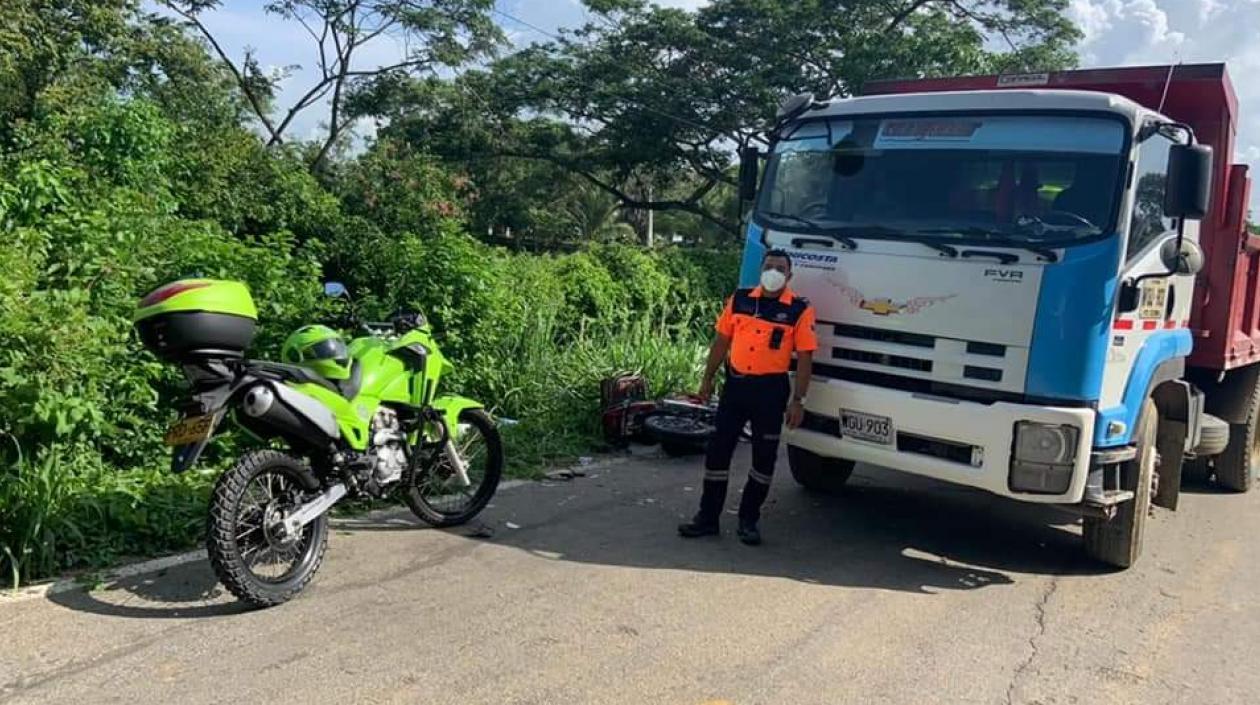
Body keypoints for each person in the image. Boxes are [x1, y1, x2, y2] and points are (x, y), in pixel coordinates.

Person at [678, 249, 818, 545]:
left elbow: (805, 357)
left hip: (770, 392)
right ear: (761, 270)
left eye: (780, 268)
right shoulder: (740, 299)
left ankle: (748, 520)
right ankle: (707, 518)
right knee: (718, 452)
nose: (774, 272)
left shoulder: (798, 310)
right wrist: (706, 380)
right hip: (736, 387)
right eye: (769, 267)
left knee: (763, 459)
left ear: (789, 276)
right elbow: (721, 341)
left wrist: (798, 401)